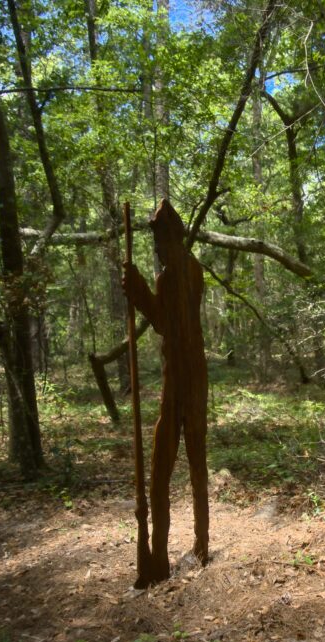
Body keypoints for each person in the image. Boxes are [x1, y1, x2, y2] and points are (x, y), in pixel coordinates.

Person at [123, 199, 209, 578]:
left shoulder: (179, 274)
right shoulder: (188, 269)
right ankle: (167, 553)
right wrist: (140, 290)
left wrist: (139, 291)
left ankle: (185, 548)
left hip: (183, 383)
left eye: (161, 242)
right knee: (180, 463)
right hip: (186, 378)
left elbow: (164, 322)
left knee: (175, 464)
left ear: (174, 238)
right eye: (156, 243)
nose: (157, 250)